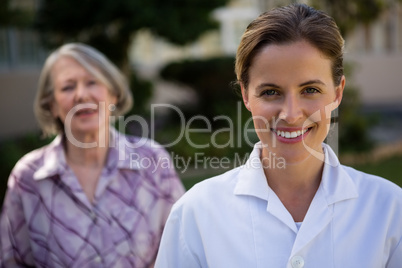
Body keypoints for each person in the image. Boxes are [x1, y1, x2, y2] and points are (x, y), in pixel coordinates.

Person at [155, 4, 402, 268]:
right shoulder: (196, 213)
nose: (291, 114)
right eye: (271, 92)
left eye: (310, 89)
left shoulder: (390, 210)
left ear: (338, 93)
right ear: (246, 95)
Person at [0, 43, 185, 267]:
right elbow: (11, 261)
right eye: (67, 87)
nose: (81, 95)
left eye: (92, 82)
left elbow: (182, 248)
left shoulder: (153, 161)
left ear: (113, 95)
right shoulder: (28, 177)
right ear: (52, 106)